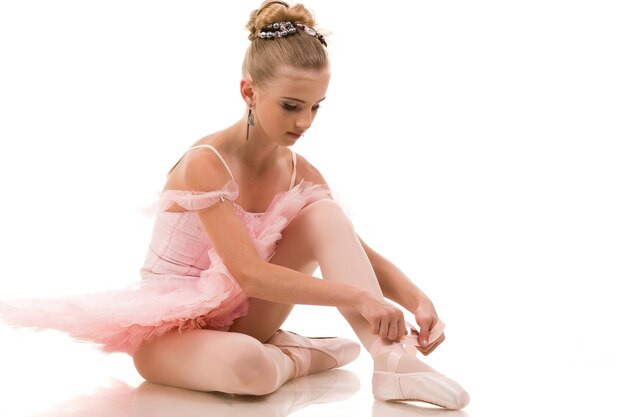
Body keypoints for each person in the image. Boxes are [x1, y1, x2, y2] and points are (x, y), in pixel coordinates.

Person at [0, 0, 469, 410]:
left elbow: (353, 250)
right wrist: (358, 299)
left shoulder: (297, 169)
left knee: (325, 214)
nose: (305, 120)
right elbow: (249, 273)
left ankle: (391, 362)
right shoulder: (205, 164)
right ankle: (299, 355)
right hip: (171, 332)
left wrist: (415, 297)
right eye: (290, 106)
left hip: (247, 318)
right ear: (249, 92)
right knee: (251, 370)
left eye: (316, 106)